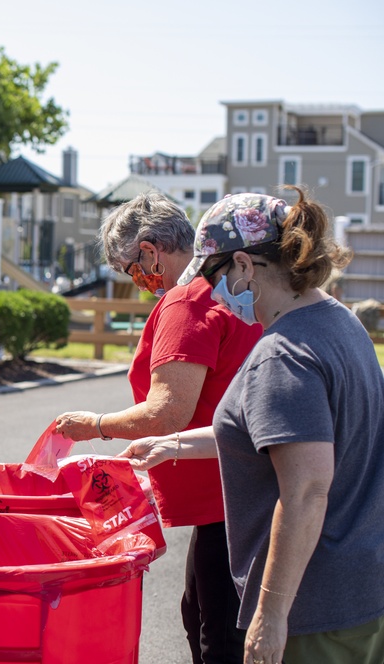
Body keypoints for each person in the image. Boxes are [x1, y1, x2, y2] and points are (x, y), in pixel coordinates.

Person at [121, 188, 384, 664]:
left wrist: (270, 615)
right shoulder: (342, 324)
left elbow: (305, 491)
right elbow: (274, 434)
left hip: (312, 606)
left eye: (216, 275)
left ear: (243, 265)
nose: (216, 292)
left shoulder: (283, 352)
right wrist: (173, 443)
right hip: (360, 588)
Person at [52, 192, 262, 664]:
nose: (139, 283)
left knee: (220, 632)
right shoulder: (228, 289)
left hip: (226, 493)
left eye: (132, 269)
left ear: (150, 251)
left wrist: (96, 426)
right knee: (202, 612)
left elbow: (166, 412)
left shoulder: (187, 300)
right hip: (244, 482)